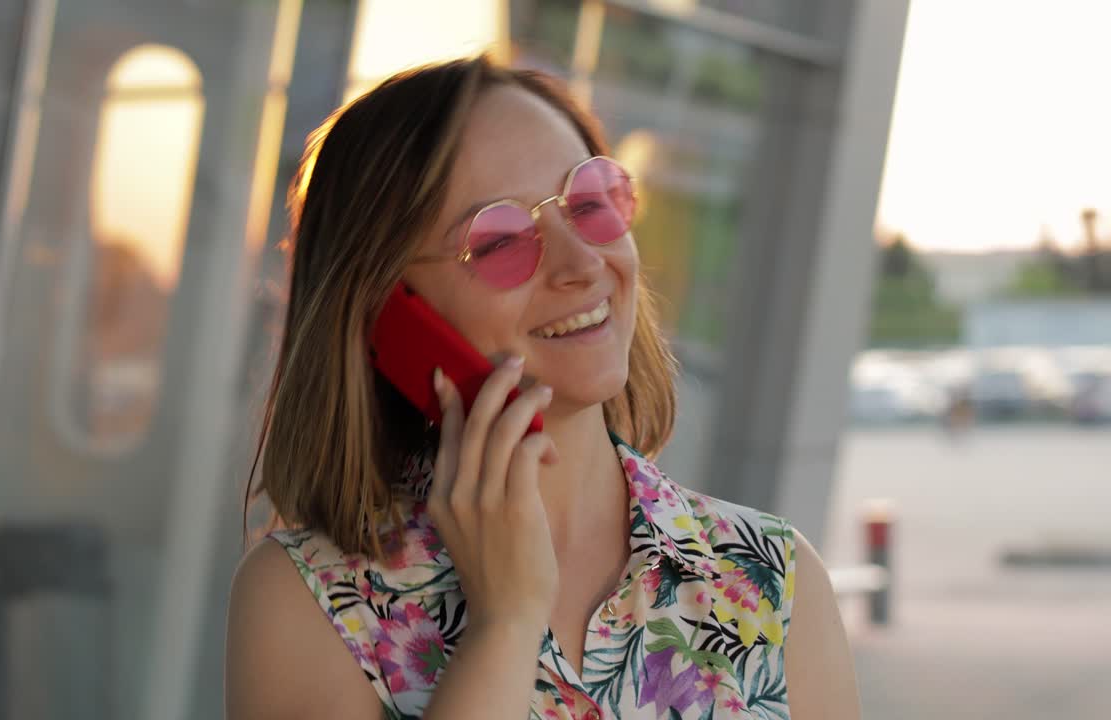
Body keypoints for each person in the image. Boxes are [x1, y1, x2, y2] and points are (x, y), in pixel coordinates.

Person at [225, 55, 860, 719]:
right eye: (499, 241)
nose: (583, 263)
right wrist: (505, 625)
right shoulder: (308, 598)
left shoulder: (774, 581)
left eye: (588, 203)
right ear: (390, 312)